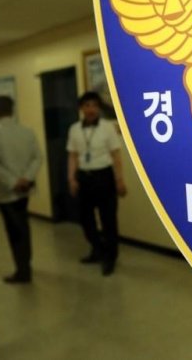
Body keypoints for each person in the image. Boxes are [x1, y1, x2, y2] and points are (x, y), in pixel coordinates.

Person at [67, 91, 127, 276]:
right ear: (81, 108)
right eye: (87, 105)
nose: (90, 109)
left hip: (104, 177)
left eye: (94, 105)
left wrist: (119, 180)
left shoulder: (107, 127)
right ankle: (97, 249)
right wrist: (71, 178)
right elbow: (73, 156)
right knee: (85, 220)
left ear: (99, 108)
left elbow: (116, 155)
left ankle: (110, 258)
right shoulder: (74, 129)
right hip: (84, 178)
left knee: (108, 220)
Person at [0, 95, 42, 284]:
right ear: (12, 109)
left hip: (7, 192)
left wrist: (13, 182)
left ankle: (23, 271)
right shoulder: (27, 131)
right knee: (23, 227)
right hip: (26, 188)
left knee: (15, 231)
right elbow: (37, 157)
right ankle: (25, 265)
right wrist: (27, 178)